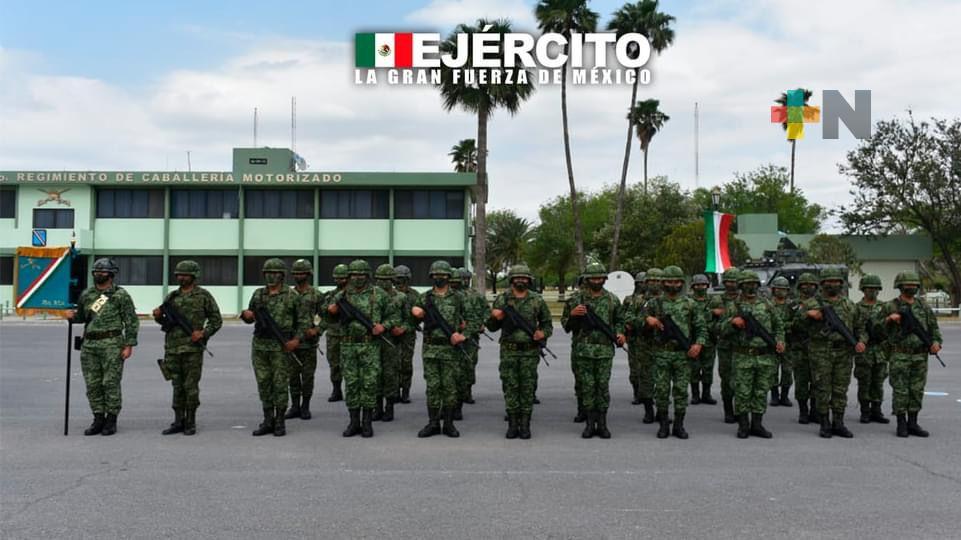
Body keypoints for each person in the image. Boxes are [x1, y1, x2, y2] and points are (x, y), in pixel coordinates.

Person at [66, 258, 139, 436]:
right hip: (90, 345)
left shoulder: (120, 295)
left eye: (103, 271)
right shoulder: (87, 294)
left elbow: (131, 321)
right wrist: (70, 316)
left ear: (111, 274)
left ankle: (111, 420)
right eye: (96, 271)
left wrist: (129, 345)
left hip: (112, 344)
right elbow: (83, 317)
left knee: (110, 383)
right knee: (93, 384)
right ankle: (98, 418)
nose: (99, 274)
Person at [326, 260, 396, 438]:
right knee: (351, 383)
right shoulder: (342, 296)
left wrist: (384, 326)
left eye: (361, 275)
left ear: (368, 276)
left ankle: (367, 422)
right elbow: (327, 317)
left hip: (370, 344)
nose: (358, 278)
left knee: (369, 383)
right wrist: (331, 311)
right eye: (354, 275)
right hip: (348, 345)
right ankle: (353, 421)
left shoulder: (378, 294)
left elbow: (394, 315)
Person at [152, 260, 222, 435]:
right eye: (178, 275)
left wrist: (204, 333)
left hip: (192, 349)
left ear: (193, 276)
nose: (181, 278)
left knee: (190, 386)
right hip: (172, 348)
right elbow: (165, 321)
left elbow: (216, 320)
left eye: (184, 275)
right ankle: (178, 420)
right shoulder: (171, 297)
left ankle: (190, 421)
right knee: (176, 385)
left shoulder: (204, 296)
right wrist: (158, 316)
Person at [240, 258, 308, 437]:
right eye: (268, 273)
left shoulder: (292, 296)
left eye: (275, 273)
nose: (271, 276)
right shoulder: (258, 294)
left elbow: (304, 322)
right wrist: (246, 315)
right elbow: (250, 317)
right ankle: (267, 419)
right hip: (261, 345)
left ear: (282, 276)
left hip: (281, 346)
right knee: (263, 383)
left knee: (279, 384)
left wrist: (296, 340)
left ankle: (279, 421)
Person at [487, 264, 553, 439]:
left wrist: (542, 333)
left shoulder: (537, 300)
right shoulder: (502, 300)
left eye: (524, 278)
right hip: (509, 351)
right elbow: (491, 328)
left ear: (529, 280)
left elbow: (547, 324)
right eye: (517, 278)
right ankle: (512, 424)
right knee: (510, 387)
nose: (521, 280)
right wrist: (494, 317)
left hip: (530, 352)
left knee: (527, 387)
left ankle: (525, 424)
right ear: (512, 280)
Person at [561, 262, 626, 439]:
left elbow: (620, 320)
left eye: (600, 278)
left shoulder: (612, 299)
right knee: (588, 387)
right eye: (593, 278)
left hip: (604, 351)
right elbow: (566, 326)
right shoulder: (575, 300)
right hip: (583, 352)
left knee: (602, 387)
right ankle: (590, 423)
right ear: (586, 279)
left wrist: (621, 334)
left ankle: (603, 423)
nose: (596, 281)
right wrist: (573, 314)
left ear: (604, 279)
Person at [800, 268, 866, 438]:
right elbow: (796, 325)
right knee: (822, 388)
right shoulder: (812, 303)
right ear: (822, 284)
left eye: (836, 282)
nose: (833, 285)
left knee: (840, 389)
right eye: (829, 282)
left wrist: (861, 342)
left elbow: (861, 327)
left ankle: (839, 422)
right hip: (820, 351)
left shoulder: (849, 305)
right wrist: (808, 315)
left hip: (844, 352)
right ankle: (824, 423)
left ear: (841, 284)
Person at [642, 266, 706, 439]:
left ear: (682, 283)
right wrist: (648, 320)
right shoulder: (654, 304)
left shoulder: (690, 304)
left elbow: (701, 327)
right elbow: (636, 322)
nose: (673, 285)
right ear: (663, 283)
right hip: (661, 354)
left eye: (676, 282)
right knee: (661, 391)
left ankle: (679, 425)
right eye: (669, 282)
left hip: (683, 355)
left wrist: (698, 345)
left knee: (680, 390)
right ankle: (663, 424)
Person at [412, 261, 471, 438]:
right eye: (436, 275)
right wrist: (415, 314)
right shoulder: (424, 298)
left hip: (450, 349)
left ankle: (449, 424)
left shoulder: (458, 297)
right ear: (432, 277)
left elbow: (473, 320)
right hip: (430, 348)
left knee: (450, 387)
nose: (440, 278)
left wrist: (463, 335)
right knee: (433, 387)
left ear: (449, 276)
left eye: (443, 275)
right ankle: (433, 423)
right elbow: (411, 322)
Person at [722, 270, 785, 439]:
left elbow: (779, 326)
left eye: (754, 284)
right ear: (741, 286)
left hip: (765, 356)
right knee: (742, 392)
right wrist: (732, 323)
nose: (751, 287)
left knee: (760, 391)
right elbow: (719, 330)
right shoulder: (733, 306)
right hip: (743, 356)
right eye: (747, 284)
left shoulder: (767, 305)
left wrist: (780, 341)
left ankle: (757, 424)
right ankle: (743, 425)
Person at [880, 272, 942, 437]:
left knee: (916, 389)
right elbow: (875, 328)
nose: (912, 287)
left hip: (920, 355)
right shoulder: (890, 306)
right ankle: (901, 423)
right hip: (900, 354)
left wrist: (936, 343)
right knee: (900, 390)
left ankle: (913, 423)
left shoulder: (923, 307)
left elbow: (934, 329)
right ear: (900, 286)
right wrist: (888, 319)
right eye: (908, 285)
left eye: (914, 285)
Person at [286, 259, 326, 421]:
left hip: (309, 344)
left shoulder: (316, 295)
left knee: (308, 377)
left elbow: (327, 318)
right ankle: (294, 406)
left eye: (301, 273)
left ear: (308, 274)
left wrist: (317, 330)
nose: (298, 276)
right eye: (295, 273)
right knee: (292, 377)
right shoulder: (288, 294)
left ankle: (305, 406)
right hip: (291, 342)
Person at [373, 264, 411, 422]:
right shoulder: (371, 296)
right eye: (380, 280)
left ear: (392, 280)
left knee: (390, 374)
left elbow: (410, 320)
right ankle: (377, 407)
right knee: (375, 374)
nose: (383, 283)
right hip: (374, 341)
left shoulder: (401, 297)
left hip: (392, 342)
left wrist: (402, 329)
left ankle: (389, 407)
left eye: (386, 280)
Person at [854, 274, 889, 424]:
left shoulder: (884, 307)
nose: (872, 291)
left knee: (878, 382)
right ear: (863, 290)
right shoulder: (856, 308)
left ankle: (877, 410)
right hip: (864, 351)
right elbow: (853, 328)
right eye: (869, 289)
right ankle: (865, 411)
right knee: (864, 382)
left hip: (880, 351)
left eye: (875, 289)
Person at [714, 268, 741, 424]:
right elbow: (711, 325)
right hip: (725, 346)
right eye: (729, 282)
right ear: (724, 283)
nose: (732, 285)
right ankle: (728, 410)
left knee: (741, 380)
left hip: (742, 346)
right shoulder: (717, 300)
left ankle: (740, 410)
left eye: (735, 282)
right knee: (726, 380)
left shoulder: (745, 299)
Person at [793, 272, 820, 424]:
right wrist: (804, 315)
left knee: (818, 381)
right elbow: (784, 324)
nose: (808, 287)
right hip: (799, 349)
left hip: (818, 349)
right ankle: (803, 411)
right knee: (802, 382)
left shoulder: (822, 303)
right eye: (805, 284)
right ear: (799, 286)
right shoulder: (793, 305)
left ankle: (815, 410)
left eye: (811, 284)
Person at [689, 274, 718, 406]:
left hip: (710, 340)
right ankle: (695, 395)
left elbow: (720, 318)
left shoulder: (713, 300)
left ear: (707, 286)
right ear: (693, 286)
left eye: (703, 284)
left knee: (707, 368)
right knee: (694, 368)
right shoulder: (688, 301)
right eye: (698, 285)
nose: (700, 287)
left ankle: (706, 394)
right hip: (693, 339)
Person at [393, 264, 420, 404]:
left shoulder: (414, 295)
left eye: (402, 279)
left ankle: (406, 391)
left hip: (408, 334)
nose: (400, 282)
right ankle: (395, 391)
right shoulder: (389, 294)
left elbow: (419, 317)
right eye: (397, 279)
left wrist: (405, 327)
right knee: (393, 363)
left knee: (406, 363)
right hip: (391, 333)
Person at [323, 264, 349, 402]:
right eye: (337, 278)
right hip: (333, 334)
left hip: (349, 334)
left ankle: (351, 390)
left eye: (343, 278)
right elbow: (326, 311)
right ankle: (336, 389)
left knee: (350, 364)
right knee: (334, 363)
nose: (340, 280)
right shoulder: (331, 295)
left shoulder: (354, 294)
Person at [769, 276, 794, 407]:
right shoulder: (768, 305)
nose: (781, 291)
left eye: (783, 289)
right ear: (773, 290)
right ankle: (774, 395)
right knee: (772, 370)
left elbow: (796, 323)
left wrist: (783, 326)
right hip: (771, 343)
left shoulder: (791, 306)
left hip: (788, 343)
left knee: (787, 370)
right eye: (778, 289)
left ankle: (784, 396)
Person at [622, 271, 646, 406]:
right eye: (641, 283)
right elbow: (622, 317)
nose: (643, 285)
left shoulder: (654, 299)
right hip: (634, 340)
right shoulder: (629, 300)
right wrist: (625, 329)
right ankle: (637, 393)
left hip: (650, 340)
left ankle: (650, 393)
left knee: (651, 369)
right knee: (635, 369)